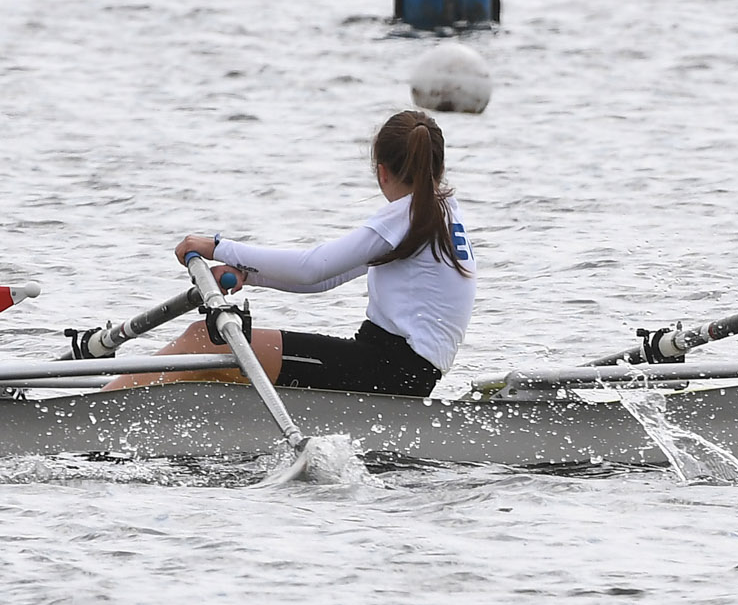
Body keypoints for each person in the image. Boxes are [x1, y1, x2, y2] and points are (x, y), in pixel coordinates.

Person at [114, 110, 475, 398]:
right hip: (404, 369)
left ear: (382, 173)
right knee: (214, 353)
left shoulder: (406, 217)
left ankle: (95, 413)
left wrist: (218, 246)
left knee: (203, 339)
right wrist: (248, 272)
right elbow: (326, 278)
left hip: (387, 367)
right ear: (437, 167)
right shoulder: (442, 213)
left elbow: (311, 269)